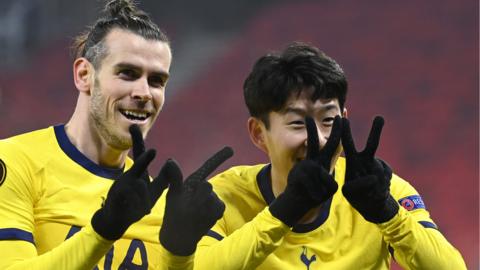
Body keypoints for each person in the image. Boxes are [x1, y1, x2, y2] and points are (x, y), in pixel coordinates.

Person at [0, 0, 231, 269]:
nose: (144, 93)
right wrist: (103, 231)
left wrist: (179, 254)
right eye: (128, 73)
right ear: (84, 74)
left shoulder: (153, 203)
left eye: (157, 81)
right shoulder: (15, 162)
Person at [195, 42, 467, 269]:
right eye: (298, 123)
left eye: (328, 120)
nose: (320, 139)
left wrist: (388, 214)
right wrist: (287, 210)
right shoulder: (222, 199)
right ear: (258, 133)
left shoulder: (380, 191)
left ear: (344, 120)